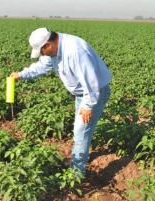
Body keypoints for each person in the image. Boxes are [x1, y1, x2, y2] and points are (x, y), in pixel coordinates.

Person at [10, 27, 112, 176]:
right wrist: (22, 74)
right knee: (80, 130)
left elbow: (90, 81)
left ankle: (76, 173)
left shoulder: (75, 51)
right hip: (81, 93)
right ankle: (77, 161)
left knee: (81, 131)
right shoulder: (54, 49)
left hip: (93, 93)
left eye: (42, 51)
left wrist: (88, 105)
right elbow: (42, 65)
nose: (42, 55)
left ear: (48, 45)